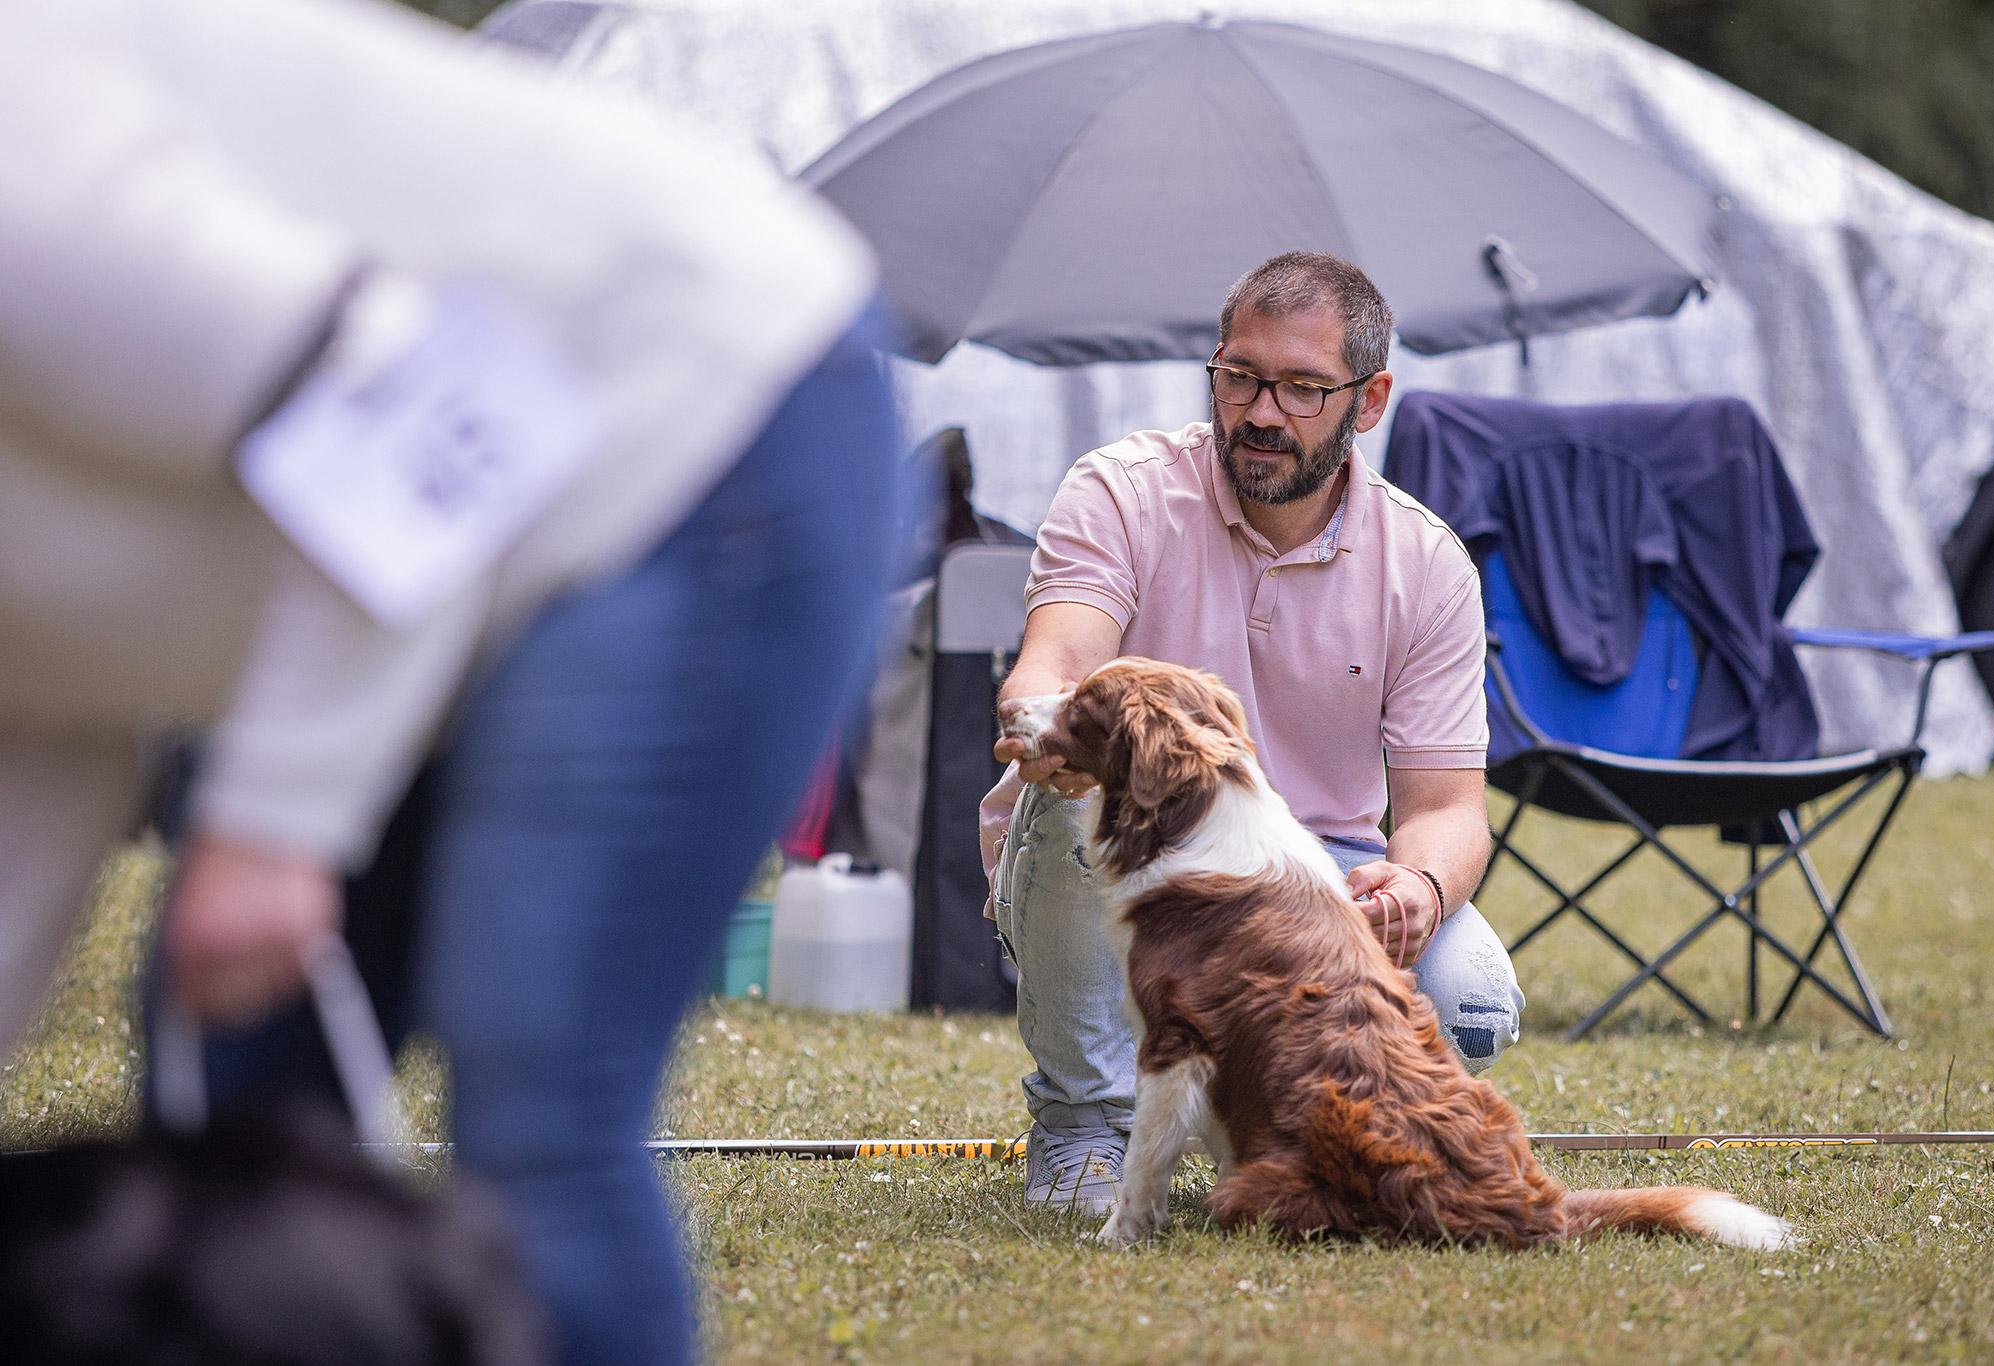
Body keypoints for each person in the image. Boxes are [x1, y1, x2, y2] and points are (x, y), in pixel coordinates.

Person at [0, 1, 899, 1362]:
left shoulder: (28, 187)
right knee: (237, 1103)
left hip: (684, 433)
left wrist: (281, 815)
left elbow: (424, 393)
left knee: (535, 1104)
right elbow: (43, 720)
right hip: (405, 546)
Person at [982, 252, 1522, 1213]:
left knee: (1471, 1002)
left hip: (1315, 872)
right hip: (1139, 854)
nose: (1262, 412)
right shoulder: (1122, 490)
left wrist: (1421, 884)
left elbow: (1449, 810)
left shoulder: (1429, 564)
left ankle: (1282, 1140)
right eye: (1241, 377)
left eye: (1304, 388)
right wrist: (1041, 728)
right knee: (1079, 799)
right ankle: (1082, 1127)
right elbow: (1054, 661)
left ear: (1370, 400)